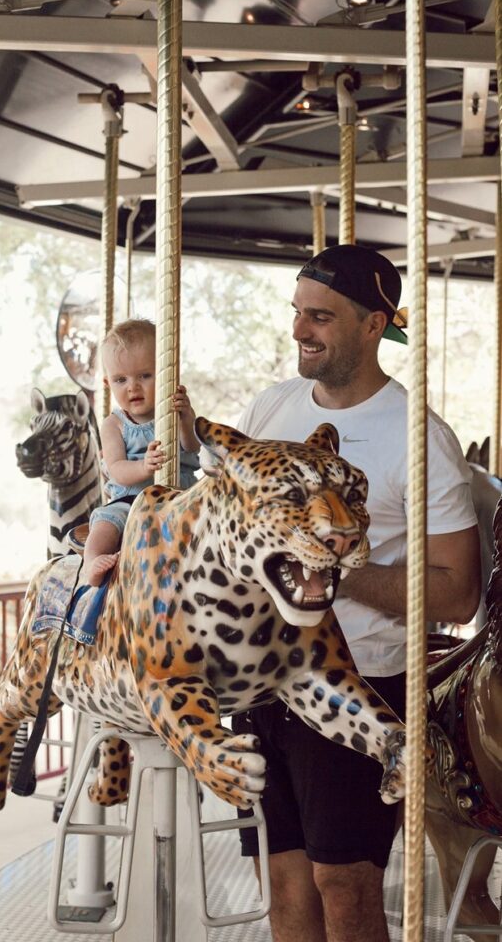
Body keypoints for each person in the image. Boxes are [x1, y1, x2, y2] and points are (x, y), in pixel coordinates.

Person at [234, 244, 480, 942]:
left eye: (319, 317)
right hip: (264, 680)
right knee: (282, 884)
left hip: (357, 684)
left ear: (374, 325)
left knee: (343, 884)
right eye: (295, 313)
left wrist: (328, 569)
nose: (298, 331)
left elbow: (457, 594)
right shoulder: (271, 406)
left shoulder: (417, 439)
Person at [84, 318, 201, 586]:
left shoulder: (174, 411)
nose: (132, 387)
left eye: (144, 376)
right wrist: (144, 468)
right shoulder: (114, 424)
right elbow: (116, 468)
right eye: (121, 379)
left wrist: (185, 417)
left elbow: (193, 447)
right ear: (108, 383)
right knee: (105, 523)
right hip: (132, 501)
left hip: (181, 495)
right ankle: (93, 562)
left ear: (165, 374)